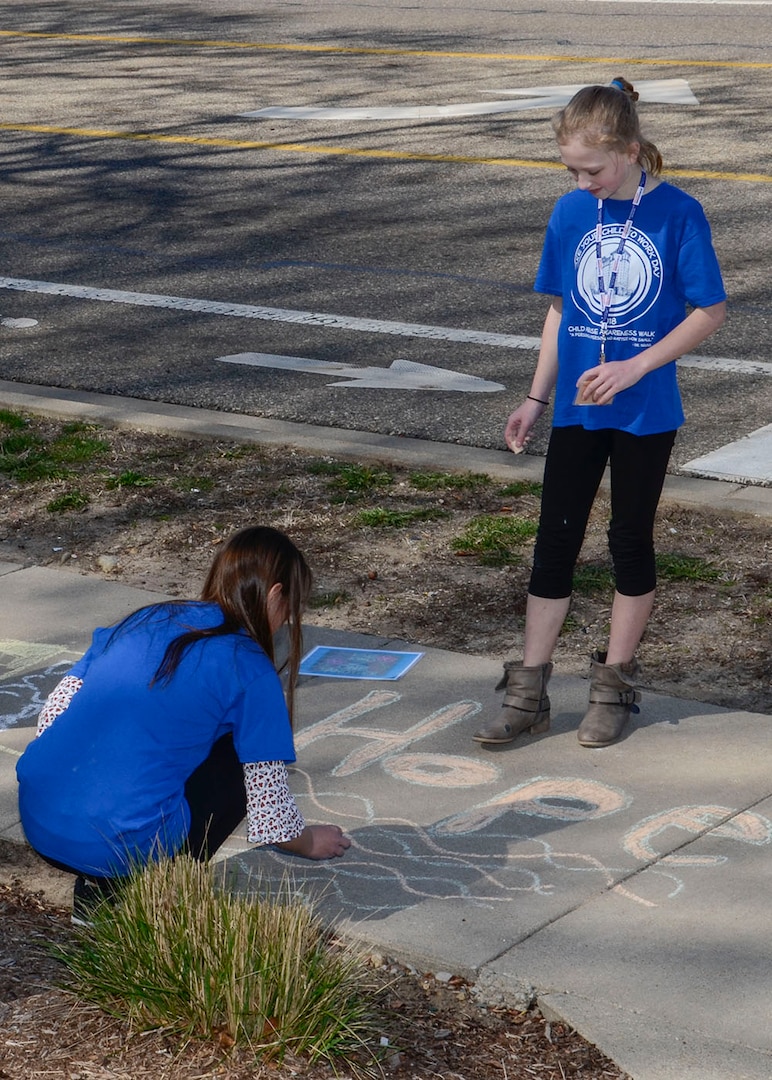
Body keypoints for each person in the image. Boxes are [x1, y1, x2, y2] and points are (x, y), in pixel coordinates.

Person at [473, 77, 726, 749]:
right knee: (555, 540)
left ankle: (613, 685)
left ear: (631, 151)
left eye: (592, 169)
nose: (582, 181)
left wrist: (637, 366)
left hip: (646, 410)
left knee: (628, 541)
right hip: (578, 413)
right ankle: (529, 691)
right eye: (571, 170)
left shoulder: (679, 213)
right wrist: (535, 397)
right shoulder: (569, 214)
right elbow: (559, 309)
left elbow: (711, 310)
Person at [17, 525, 350, 920]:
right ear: (275, 594)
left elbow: (54, 711)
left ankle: (99, 885)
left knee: (156, 733)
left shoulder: (149, 617)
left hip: (39, 818)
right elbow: (269, 805)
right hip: (114, 848)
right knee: (239, 756)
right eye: (292, 608)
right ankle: (122, 888)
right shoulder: (248, 666)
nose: (288, 622)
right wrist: (309, 841)